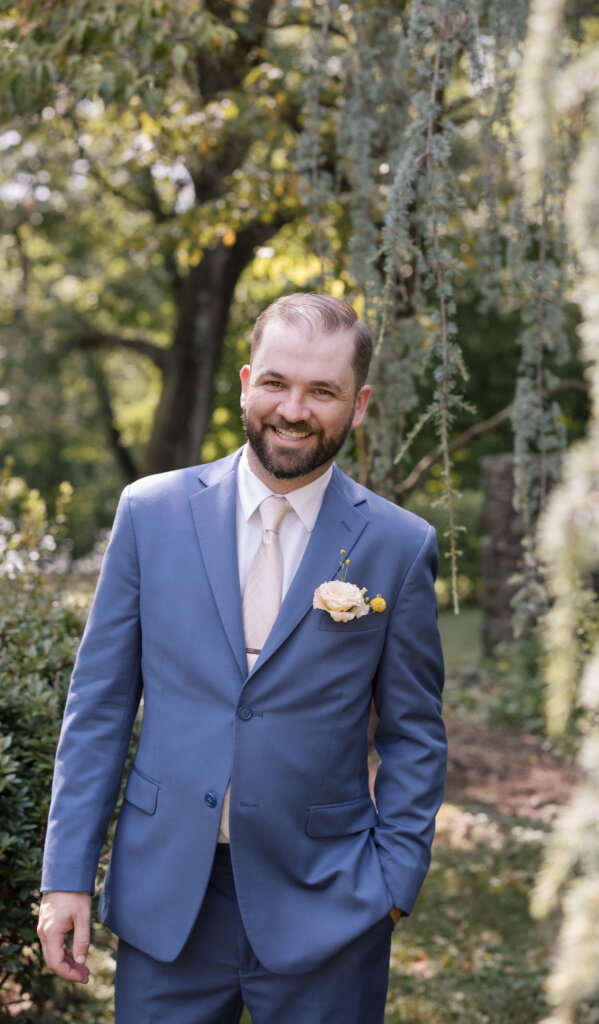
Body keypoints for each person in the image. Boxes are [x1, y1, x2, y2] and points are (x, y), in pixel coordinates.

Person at [38, 293, 448, 1024]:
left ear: (357, 405)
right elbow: (98, 707)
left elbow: (414, 733)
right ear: (244, 382)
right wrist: (66, 877)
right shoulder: (149, 513)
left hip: (330, 898)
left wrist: (392, 882)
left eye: (321, 391)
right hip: (169, 900)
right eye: (276, 383)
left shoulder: (399, 543)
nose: (293, 409)